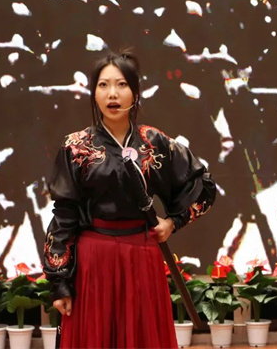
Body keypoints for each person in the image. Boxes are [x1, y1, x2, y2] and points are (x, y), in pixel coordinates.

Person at [42, 49, 216, 348]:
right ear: (94, 93)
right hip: (94, 260)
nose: (113, 94)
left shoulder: (155, 142)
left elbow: (202, 184)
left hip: (142, 256)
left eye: (121, 85)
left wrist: (173, 222)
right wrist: (60, 281)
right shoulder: (76, 147)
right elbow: (64, 213)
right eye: (104, 85)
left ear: (135, 92)